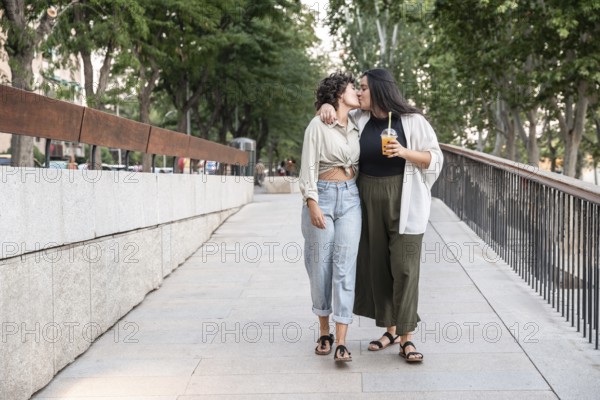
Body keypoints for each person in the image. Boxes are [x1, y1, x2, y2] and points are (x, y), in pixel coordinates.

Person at [319, 68, 443, 363]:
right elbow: (329, 121)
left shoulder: (412, 121)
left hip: (405, 199)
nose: (359, 92)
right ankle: (391, 331)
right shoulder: (357, 120)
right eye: (358, 88)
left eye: (363, 87)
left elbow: (434, 158)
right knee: (379, 268)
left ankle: (407, 339)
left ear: (379, 90)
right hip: (365, 198)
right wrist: (325, 105)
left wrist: (403, 151)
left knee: (405, 268)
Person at [299, 72, 361, 362]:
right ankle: (324, 331)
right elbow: (308, 166)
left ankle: (342, 341)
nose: (358, 93)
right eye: (352, 89)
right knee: (320, 267)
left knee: (345, 268)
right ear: (338, 94)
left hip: (350, 198)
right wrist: (312, 203)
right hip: (322, 196)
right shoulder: (318, 124)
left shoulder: (357, 124)